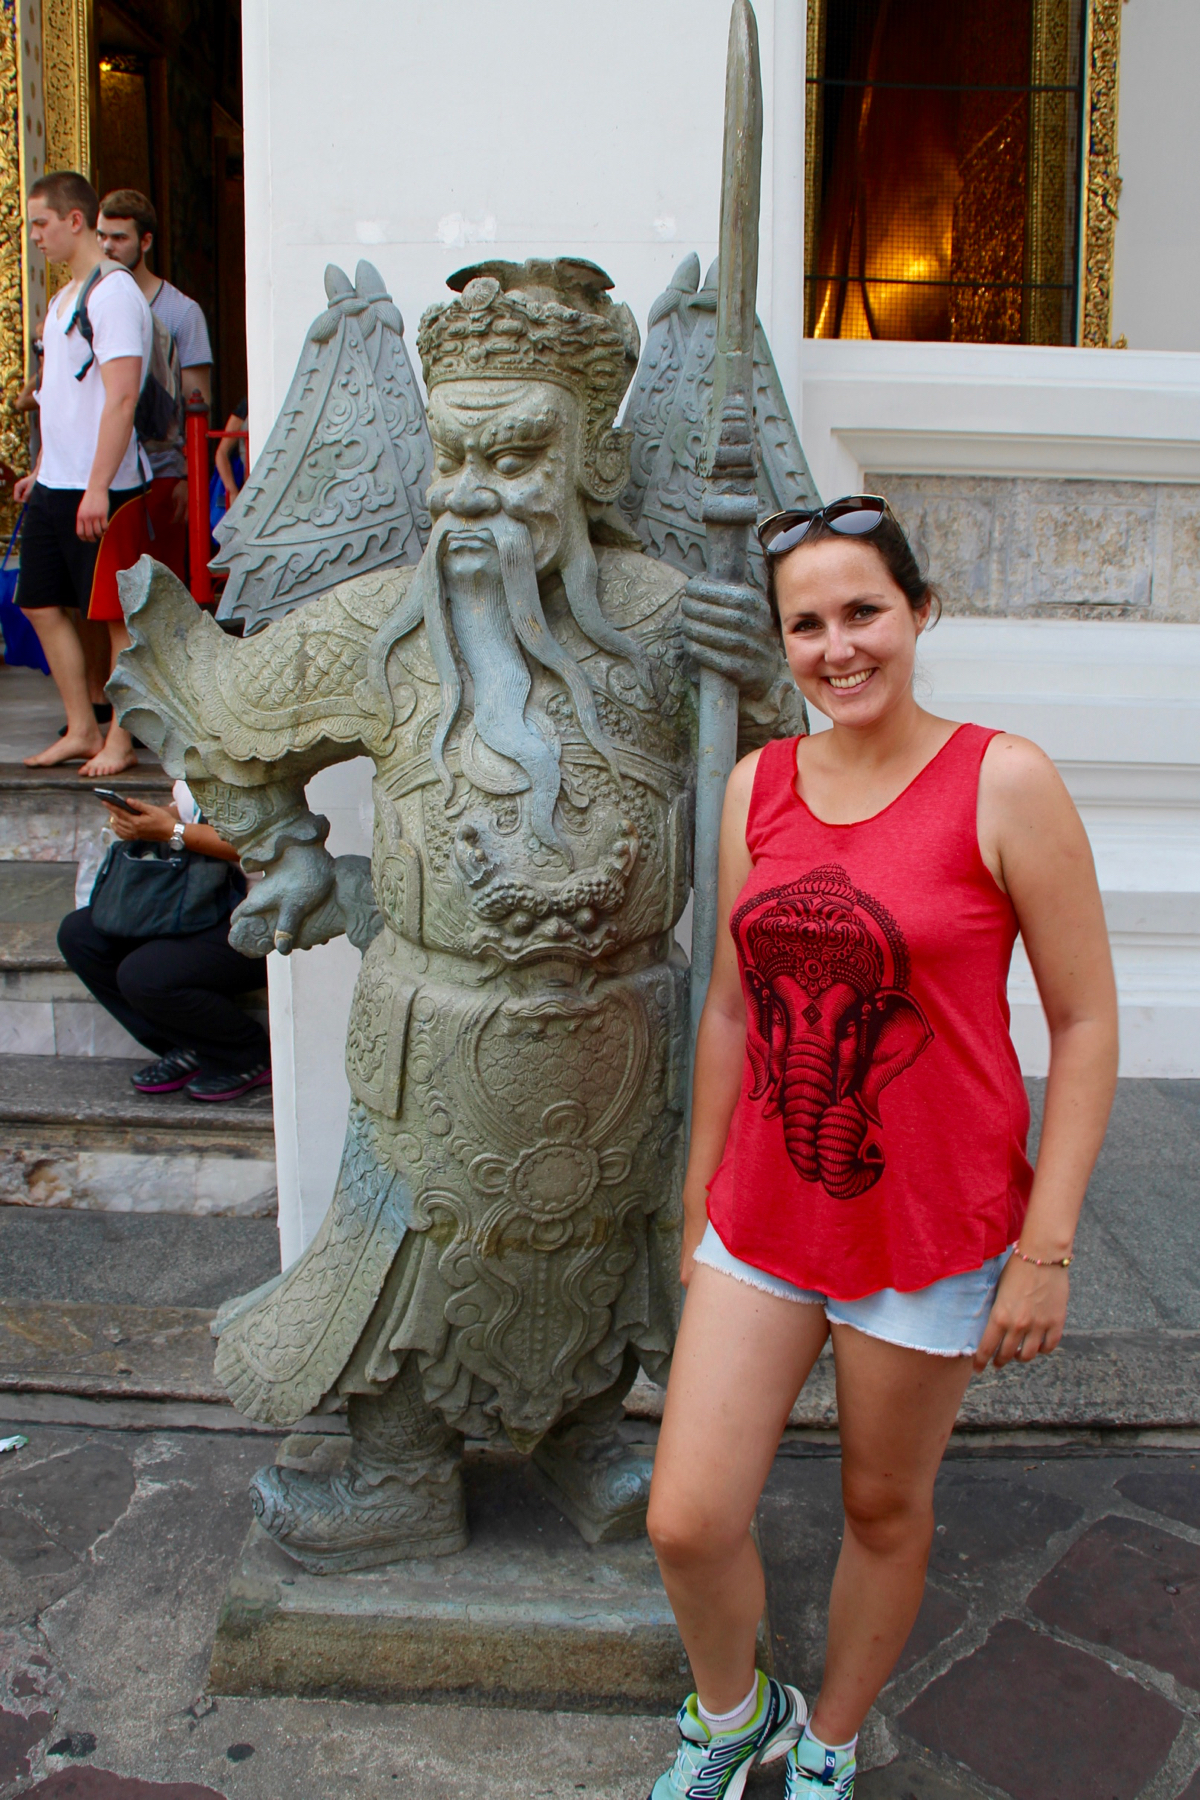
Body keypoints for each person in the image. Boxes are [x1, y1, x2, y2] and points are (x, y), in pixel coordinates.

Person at [644, 496, 1119, 1799]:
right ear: (783, 643)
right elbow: (730, 1009)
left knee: (882, 1507)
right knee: (688, 1516)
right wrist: (697, 1199)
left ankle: (831, 1741)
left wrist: (1046, 1248)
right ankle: (735, 1714)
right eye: (808, 625)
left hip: (931, 1225)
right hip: (765, 1208)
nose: (838, 647)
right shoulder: (759, 785)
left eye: (863, 612)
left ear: (918, 612)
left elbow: (1085, 1023)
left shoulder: (1003, 780)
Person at [14, 171, 151, 775]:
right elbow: (57, 397)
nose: (35, 236)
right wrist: (43, 467)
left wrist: (97, 486)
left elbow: (121, 397)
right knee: (40, 602)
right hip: (57, 483)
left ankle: (121, 737)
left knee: (116, 618)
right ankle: (81, 726)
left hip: (106, 486)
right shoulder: (64, 298)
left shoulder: (113, 293)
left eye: (41, 223)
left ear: (75, 220)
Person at [57, 783, 271, 1102]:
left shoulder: (260, 763)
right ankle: (188, 1046)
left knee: (144, 975)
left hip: (261, 914)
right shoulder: (194, 755)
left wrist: (173, 831)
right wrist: (146, 820)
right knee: (80, 935)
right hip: (203, 894)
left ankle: (246, 1054)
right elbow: (188, 812)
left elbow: (262, 848)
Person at [96, 189, 213, 584]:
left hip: (161, 472)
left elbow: (198, 403)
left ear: (145, 241)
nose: (108, 246)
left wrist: (188, 478)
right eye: (102, 236)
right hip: (103, 470)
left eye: (119, 237)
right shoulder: (92, 302)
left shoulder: (182, 312)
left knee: (158, 591)